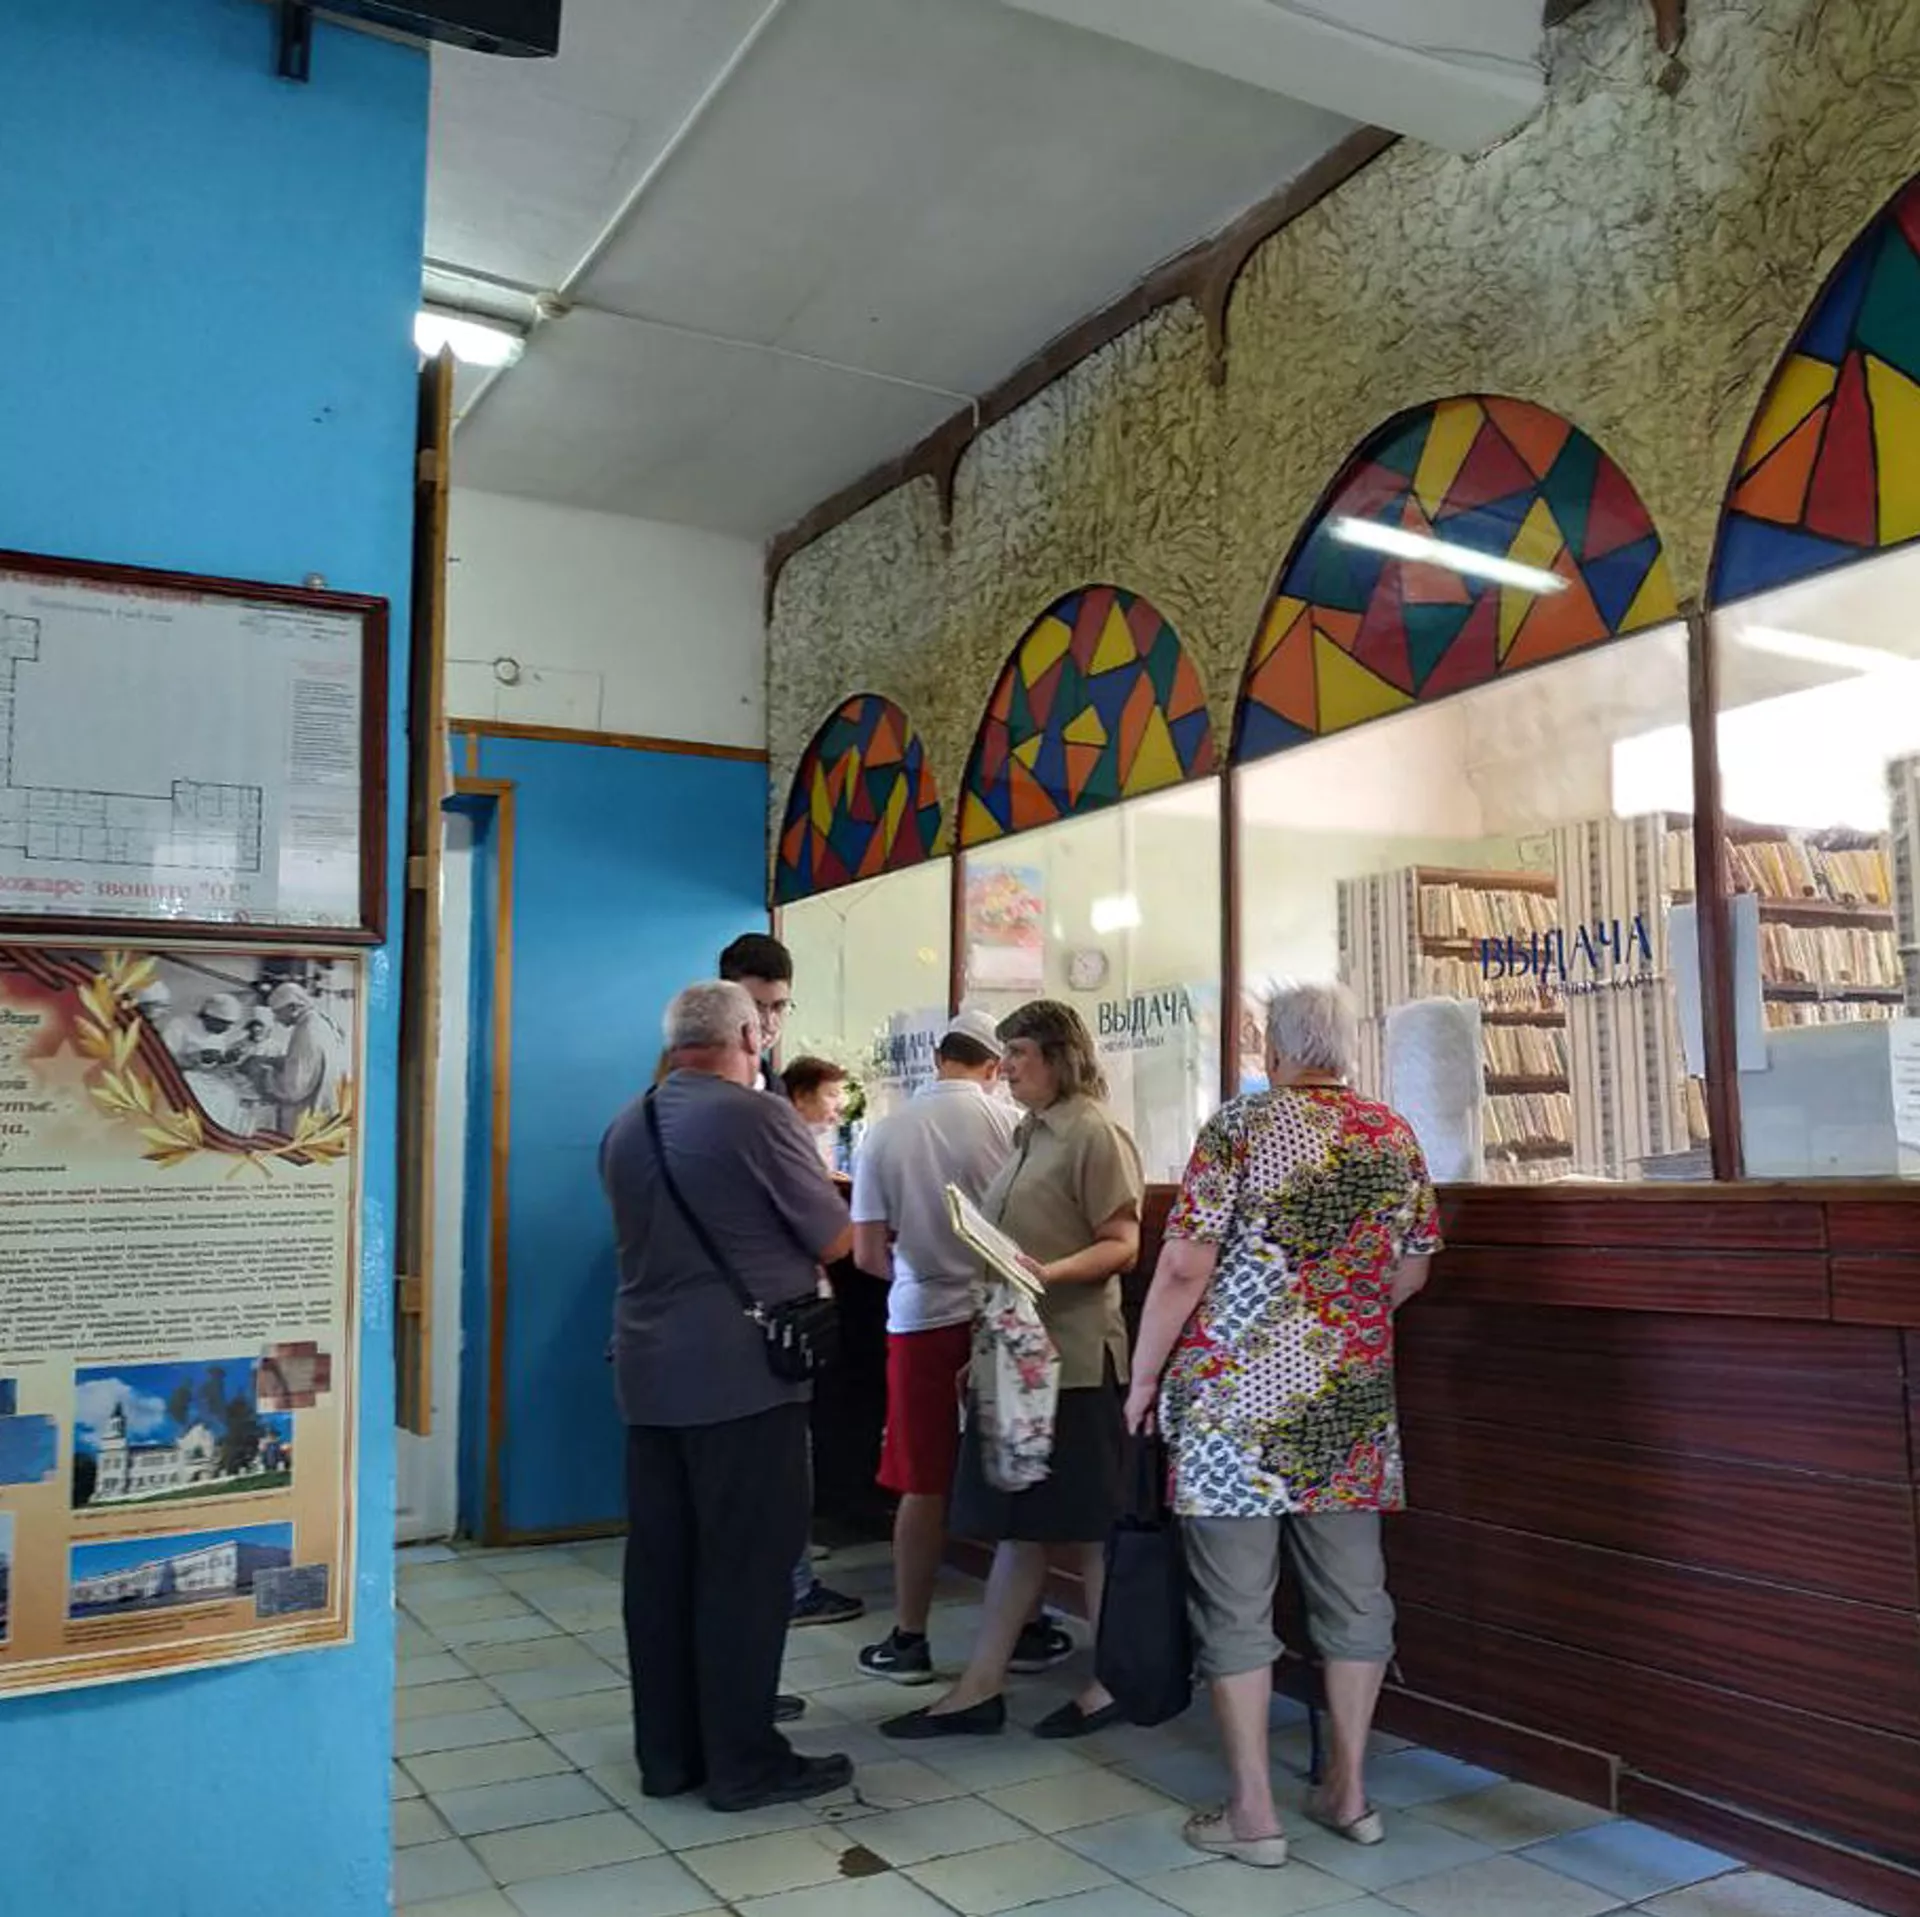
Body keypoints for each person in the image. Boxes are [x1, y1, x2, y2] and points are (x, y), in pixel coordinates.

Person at [1124, 981, 1440, 1869]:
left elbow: (1183, 1266)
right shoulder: (1391, 1133)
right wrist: (1333, 1324)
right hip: (1348, 1405)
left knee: (1234, 1604)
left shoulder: (1239, 1127)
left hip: (1233, 1409)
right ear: (1345, 1047)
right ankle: (1349, 1791)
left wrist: (1144, 1375)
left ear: (1276, 1049)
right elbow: (1413, 1270)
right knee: (1355, 1597)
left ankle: (1254, 1813)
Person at [601, 980, 856, 1812]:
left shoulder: (626, 1124)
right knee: (745, 1567)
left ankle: (669, 1753)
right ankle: (744, 1761)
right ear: (749, 1036)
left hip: (646, 1374)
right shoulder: (757, 1116)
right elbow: (835, 1236)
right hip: (741, 1375)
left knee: (663, 1567)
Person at [882, 1000, 1142, 1741]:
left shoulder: (1092, 1131)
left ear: (1060, 1055)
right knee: (1023, 1527)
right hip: (1022, 1357)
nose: (1009, 1068)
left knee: (1087, 1527)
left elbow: (1122, 1242)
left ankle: (1111, 1678)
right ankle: (981, 1685)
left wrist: (1045, 1273)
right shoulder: (1029, 1132)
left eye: (1021, 1053)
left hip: (1076, 1360)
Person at [851, 1010, 1070, 1684]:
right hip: (1002, 1316)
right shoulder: (1011, 1124)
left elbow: (866, 1254)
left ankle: (909, 1638)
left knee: (923, 1482)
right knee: (1014, 1472)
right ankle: (1026, 1631)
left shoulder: (884, 1132)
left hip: (920, 1321)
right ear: (994, 1065)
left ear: (938, 1057)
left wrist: (920, 1271)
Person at [717, 932, 867, 1632]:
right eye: (758, 1005)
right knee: (766, 1459)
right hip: (740, 1309)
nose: (770, 1021)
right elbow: (826, 1229)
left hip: (766, 1306)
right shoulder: (722, 1095)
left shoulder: (766, 1086)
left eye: (780, 1006)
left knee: (780, 1454)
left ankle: (785, 1576)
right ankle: (784, 1585)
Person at [256, 982, 346, 1131]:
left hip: (307, 1117)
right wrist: (272, 1061)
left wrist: (263, 1076)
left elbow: (294, 1088)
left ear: (293, 1007)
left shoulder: (306, 1031)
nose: (276, 1019)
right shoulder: (319, 1022)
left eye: (277, 1012)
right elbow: (308, 1063)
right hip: (327, 1109)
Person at [780, 1055, 849, 1172]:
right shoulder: (782, 1148)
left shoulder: (818, 1142)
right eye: (832, 1095)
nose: (840, 1106)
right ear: (801, 1097)